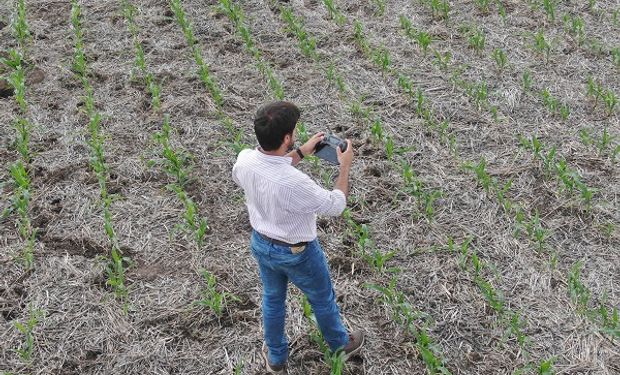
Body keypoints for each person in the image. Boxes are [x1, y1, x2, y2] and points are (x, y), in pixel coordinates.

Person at [232, 101, 365, 373]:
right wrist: (344, 167)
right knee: (321, 298)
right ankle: (341, 343)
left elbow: (269, 168)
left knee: (272, 299)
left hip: (261, 244)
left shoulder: (244, 159)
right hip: (298, 252)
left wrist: (302, 152)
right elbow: (335, 205)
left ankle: (277, 358)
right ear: (286, 138)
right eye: (293, 133)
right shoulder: (294, 183)